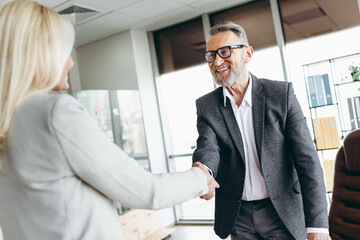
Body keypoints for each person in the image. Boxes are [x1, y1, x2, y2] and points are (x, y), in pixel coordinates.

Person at [0, 1, 218, 240]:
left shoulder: (8, 121)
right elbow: (147, 191)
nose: (70, 62)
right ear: (42, 56)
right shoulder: (54, 112)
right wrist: (200, 178)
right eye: (64, 53)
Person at [192, 21, 331, 240]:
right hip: (239, 215)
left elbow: (308, 162)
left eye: (225, 52)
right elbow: (208, 146)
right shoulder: (207, 106)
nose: (217, 61)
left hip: (280, 210)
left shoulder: (281, 94)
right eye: (210, 55)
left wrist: (318, 227)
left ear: (247, 53)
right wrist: (203, 171)